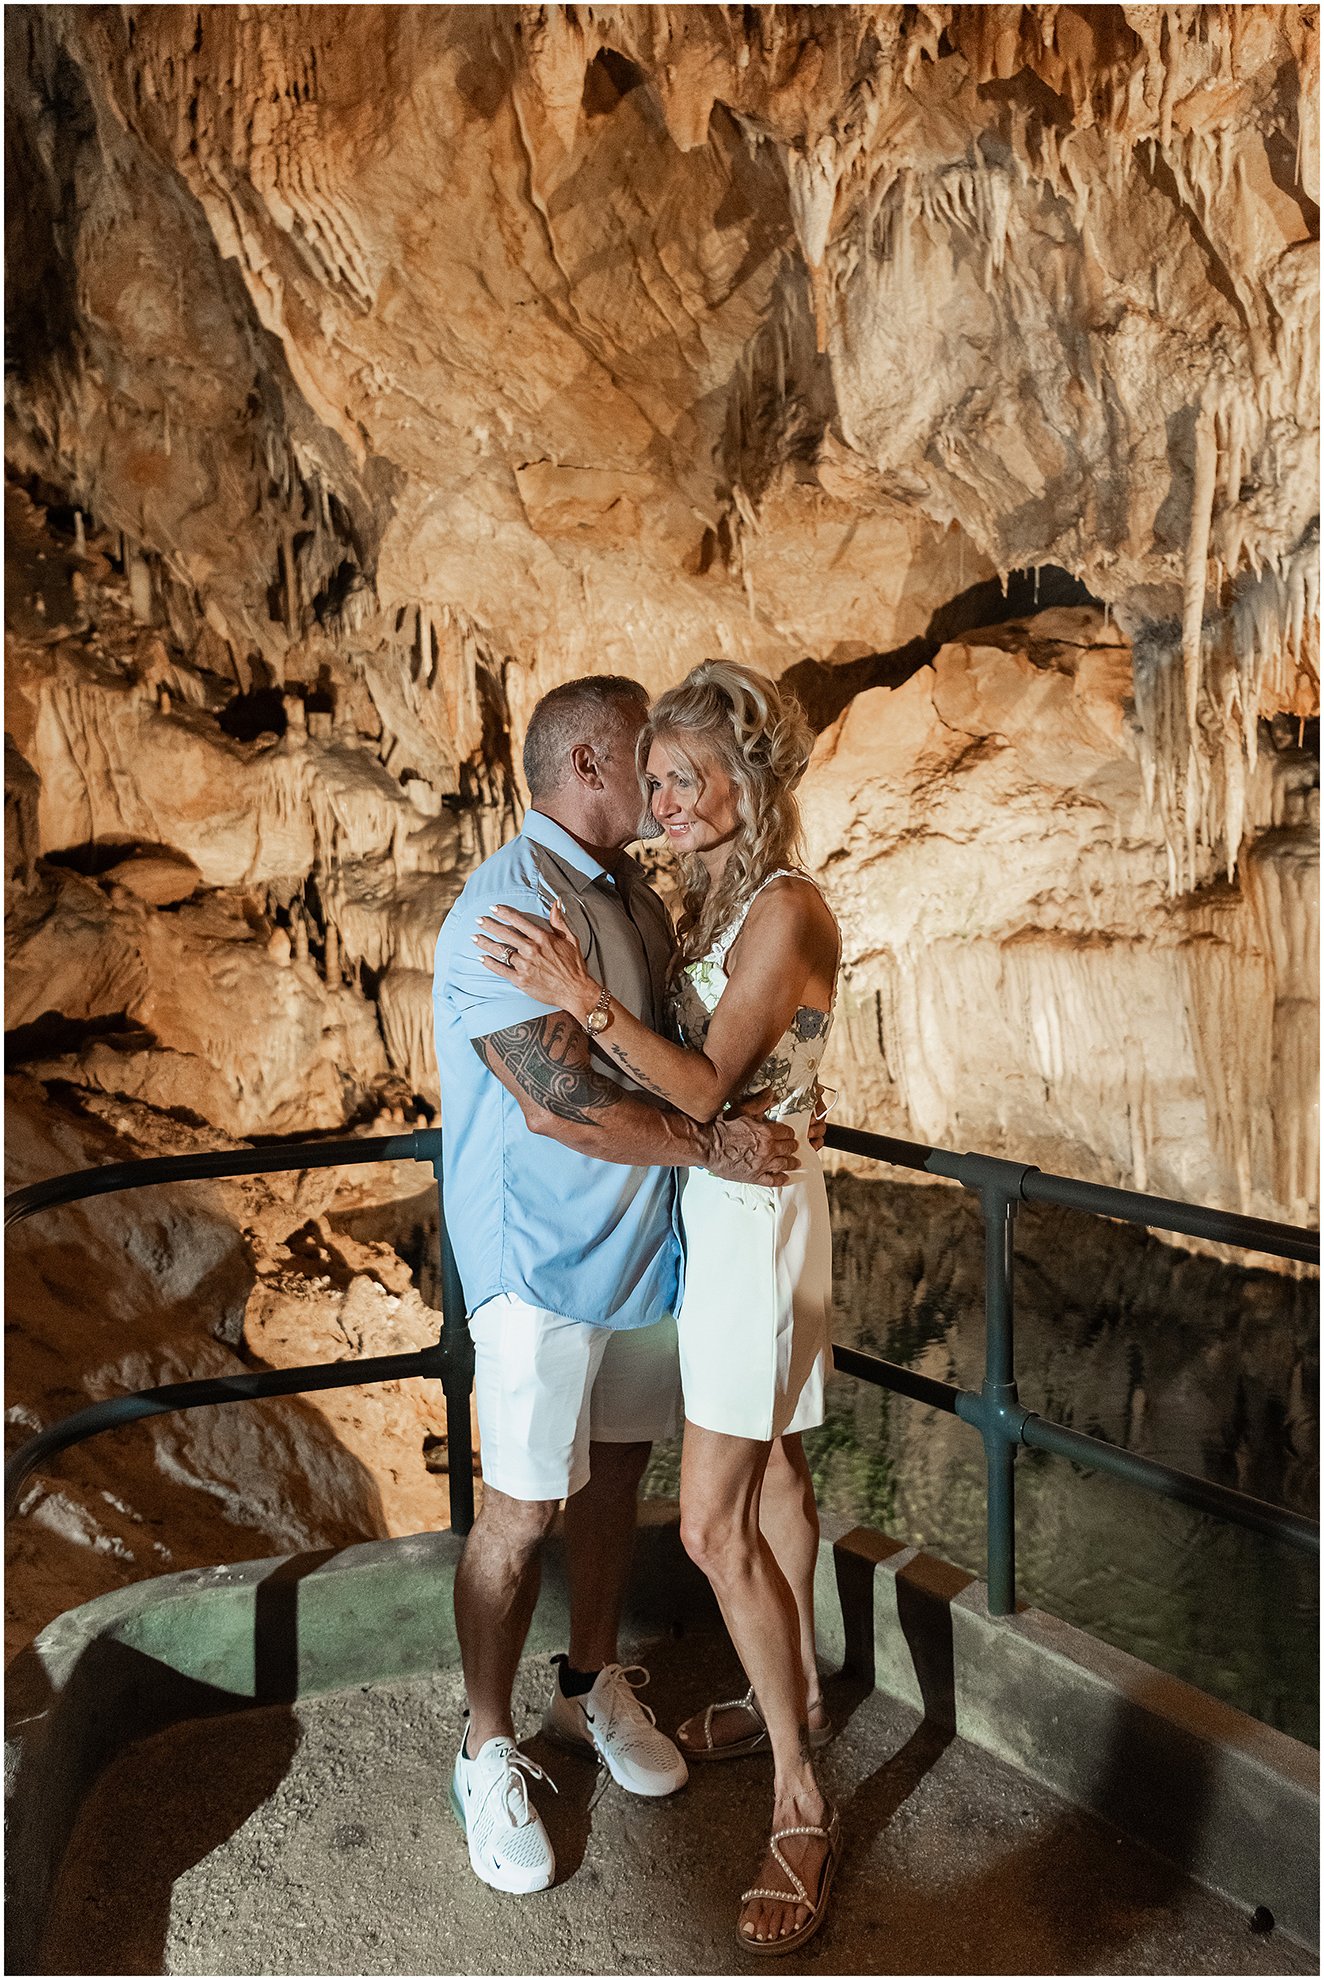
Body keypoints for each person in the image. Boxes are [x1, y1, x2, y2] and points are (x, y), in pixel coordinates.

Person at [477, 660, 841, 1956]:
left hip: (754, 1225)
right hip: (728, 1215)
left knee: (706, 1526)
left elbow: (698, 1091)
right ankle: (794, 1697)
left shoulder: (785, 909)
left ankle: (801, 1804)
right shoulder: (720, 901)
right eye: (656, 779)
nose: (667, 800)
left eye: (689, 778)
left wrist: (581, 998)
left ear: (752, 778)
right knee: (776, 1472)